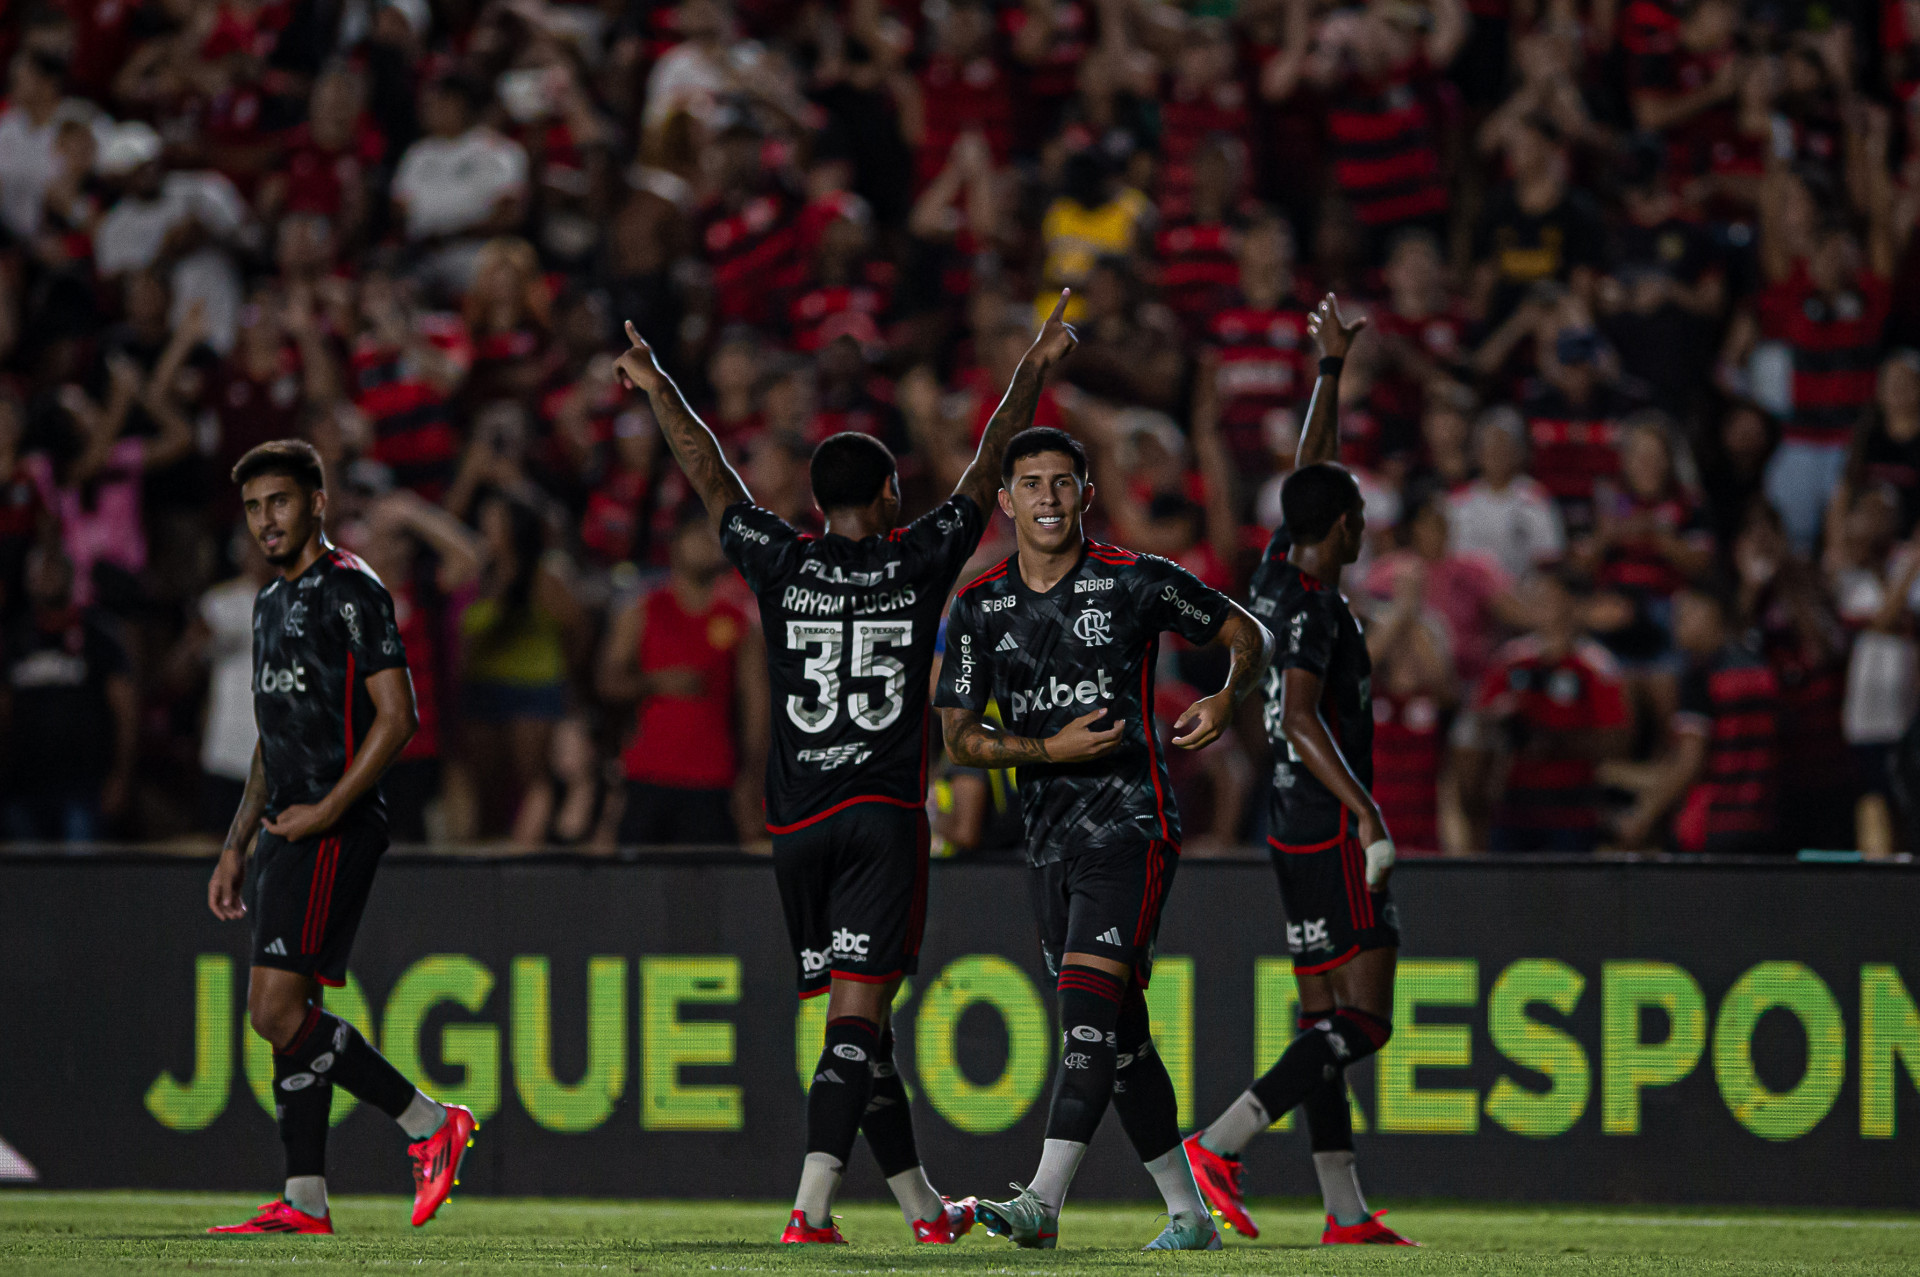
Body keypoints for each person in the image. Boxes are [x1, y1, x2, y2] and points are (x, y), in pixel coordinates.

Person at [612, 292, 1080, 1244]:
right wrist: (1032, 367)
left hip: (796, 827)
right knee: (855, 1027)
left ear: (818, 504)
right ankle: (811, 1208)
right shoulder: (919, 559)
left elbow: (712, 475)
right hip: (879, 818)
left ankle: (921, 1209)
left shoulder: (779, 560)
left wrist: (659, 388)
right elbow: (988, 462)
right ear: (892, 495)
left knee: (863, 1029)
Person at [935, 427, 1273, 1252]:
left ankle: (1042, 1202)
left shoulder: (1134, 580)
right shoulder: (978, 607)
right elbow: (958, 737)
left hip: (1130, 827)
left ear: (1087, 494)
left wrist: (1227, 699)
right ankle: (1190, 1217)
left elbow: (1248, 635)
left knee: (1085, 1018)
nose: (1048, 497)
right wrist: (1049, 750)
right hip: (1046, 842)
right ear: (1006, 500)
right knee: (1121, 1040)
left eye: (1063, 482)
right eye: (1031, 483)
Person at [1183, 295, 1418, 1247]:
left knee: (1324, 1017)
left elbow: (1308, 476)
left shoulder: (1278, 571)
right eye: (1358, 517)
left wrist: (1329, 369)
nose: (1364, 527)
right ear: (1346, 527)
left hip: (1289, 822)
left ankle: (1345, 1211)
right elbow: (1304, 717)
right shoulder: (1316, 605)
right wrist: (1368, 813)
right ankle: (1222, 1142)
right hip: (1326, 820)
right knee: (1366, 1021)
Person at [204, 440, 476, 1236]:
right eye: (255, 507)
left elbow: (400, 716)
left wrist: (326, 812)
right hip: (287, 822)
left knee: (274, 1011)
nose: (266, 520)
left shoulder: (352, 588)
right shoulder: (268, 602)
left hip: (336, 821)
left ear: (317, 503)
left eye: (280, 501)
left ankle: (430, 1122)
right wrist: (236, 841)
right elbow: (274, 733)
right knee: (294, 1009)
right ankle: (305, 1197)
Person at [599, 506, 767, 846]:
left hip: (713, 777)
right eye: (698, 534)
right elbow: (607, 682)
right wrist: (658, 682)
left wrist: (752, 776)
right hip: (647, 772)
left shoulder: (740, 621)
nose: (709, 543)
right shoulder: (642, 610)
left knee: (709, 876)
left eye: (714, 536)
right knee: (638, 874)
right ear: (675, 543)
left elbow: (758, 706)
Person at [1615, 581, 1782, 854]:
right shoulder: (1764, 669)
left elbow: (1690, 762)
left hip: (1714, 827)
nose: (1676, 624)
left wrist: (1642, 816)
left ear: (1713, 614)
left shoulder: (1701, 677)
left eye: (1686, 614)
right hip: (1766, 823)